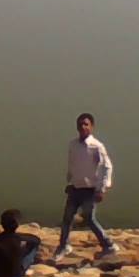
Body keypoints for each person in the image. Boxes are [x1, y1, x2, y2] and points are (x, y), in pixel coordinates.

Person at [53, 112, 117, 261]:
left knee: (89, 219)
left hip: (90, 189)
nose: (83, 127)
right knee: (67, 217)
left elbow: (107, 167)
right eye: (80, 124)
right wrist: (69, 183)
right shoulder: (73, 145)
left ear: (92, 127)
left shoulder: (97, 147)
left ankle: (108, 245)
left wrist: (102, 188)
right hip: (76, 187)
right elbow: (72, 165)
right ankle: (64, 246)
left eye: (86, 124)